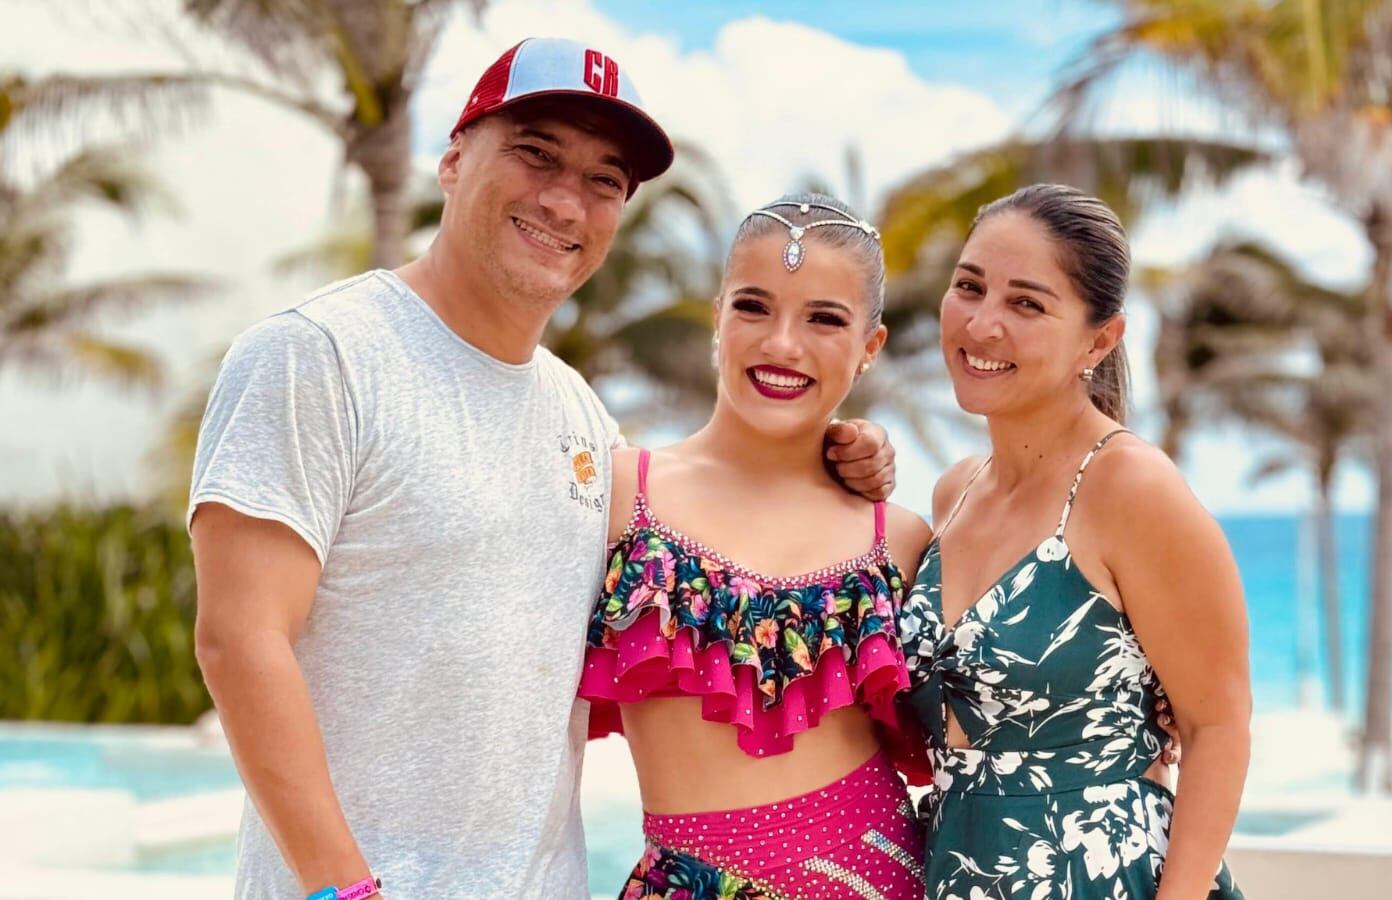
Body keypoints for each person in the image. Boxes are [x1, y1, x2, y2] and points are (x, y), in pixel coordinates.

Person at [188, 39, 894, 900]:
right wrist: (342, 892)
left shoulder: (581, 419)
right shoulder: (318, 355)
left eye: (605, 181)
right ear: (452, 159)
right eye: (535, 153)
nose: (566, 200)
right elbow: (240, 640)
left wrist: (834, 451)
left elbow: (722, 524)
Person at [900, 184, 1251, 899]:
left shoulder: (1128, 488)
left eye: (1026, 303)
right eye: (969, 287)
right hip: (956, 871)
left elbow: (1218, 725)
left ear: (1100, 340)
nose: (983, 323)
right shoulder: (955, 492)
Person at [579, 193, 934, 899]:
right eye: (753, 306)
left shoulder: (899, 538)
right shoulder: (619, 494)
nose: (781, 345)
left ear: (870, 347)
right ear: (717, 314)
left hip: (878, 879)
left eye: (825, 319)